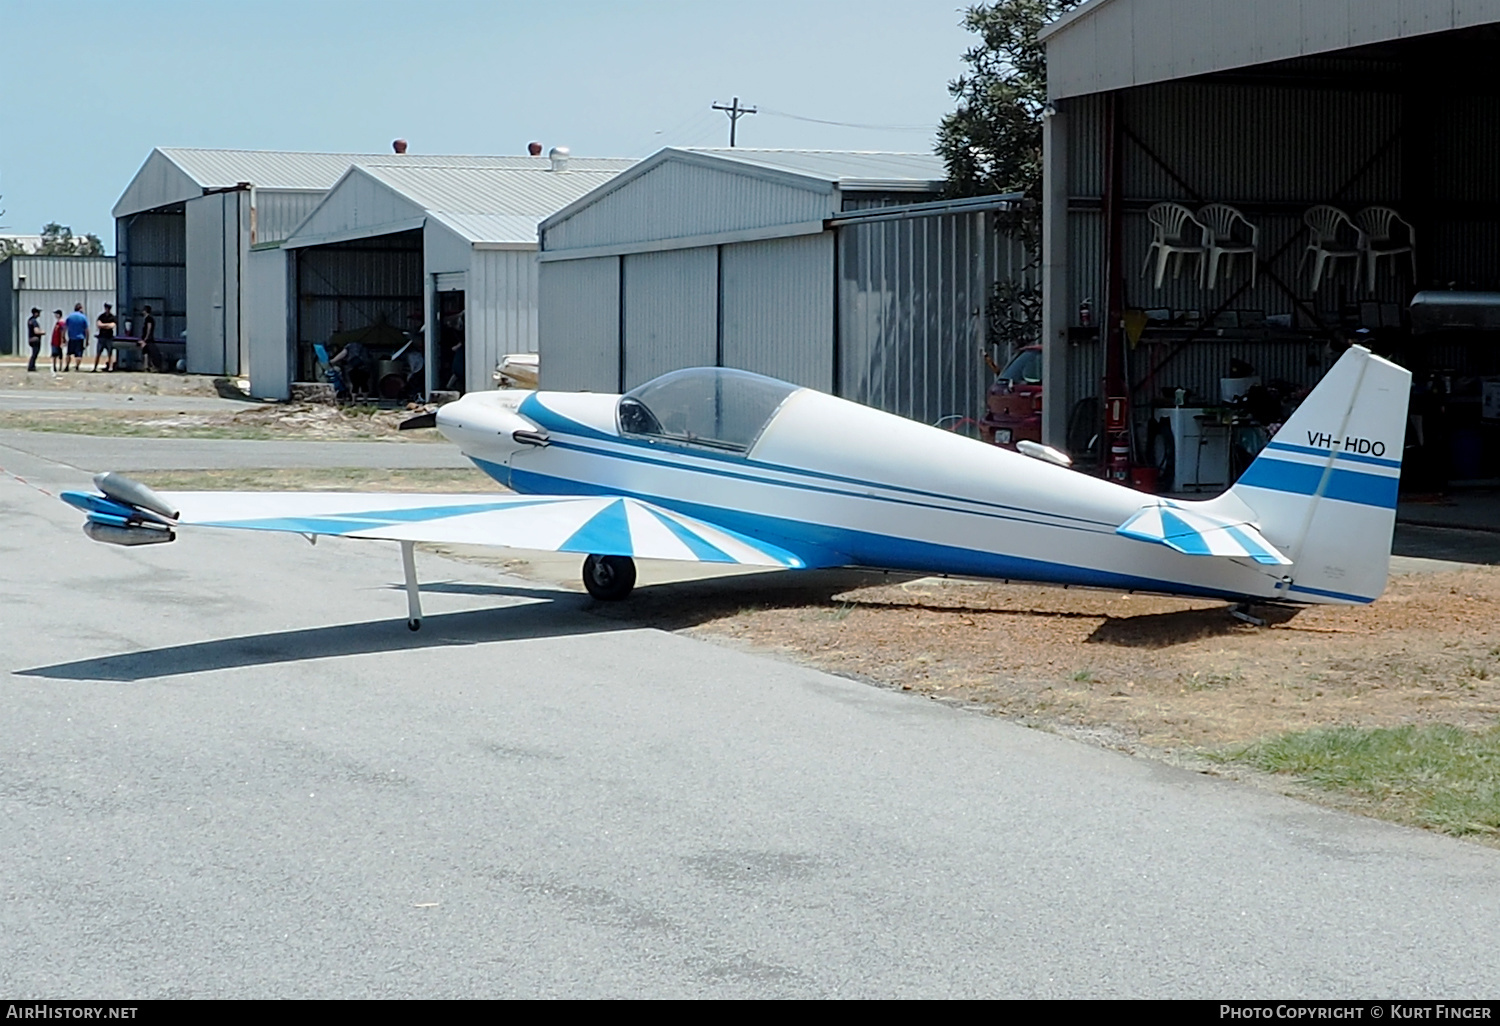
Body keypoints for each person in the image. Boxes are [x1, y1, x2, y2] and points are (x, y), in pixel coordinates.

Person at [63, 303, 89, 371]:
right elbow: (87, 330)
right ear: (80, 309)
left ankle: (67, 366)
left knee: (68, 353)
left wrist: (63, 337)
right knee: (78, 354)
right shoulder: (83, 317)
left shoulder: (69, 316)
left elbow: (65, 328)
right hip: (80, 338)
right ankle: (77, 367)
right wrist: (87, 340)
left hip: (71, 337)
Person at [93, 303, 117, 372]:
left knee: (110, 353)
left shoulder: (112, 317)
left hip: (109, 338)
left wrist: (103, 325)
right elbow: (98, 324)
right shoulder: (101, 316)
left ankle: (110, 367)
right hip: (101, 338)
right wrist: (107, 325)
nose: (107, 309)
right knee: (98, 353)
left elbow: (112, 326)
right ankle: (95, 367)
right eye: (106, 308)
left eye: (108, 308)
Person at [26, 308, 42, 372]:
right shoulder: (34, 321)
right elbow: (36, 331)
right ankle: (31, 366)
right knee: (35, 354)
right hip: (35, 339)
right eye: (38, 312)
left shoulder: (30, 320)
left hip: (31, 339)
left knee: (34, 353)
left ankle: (32, 366)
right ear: (35, 313)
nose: (39, 314)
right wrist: (43, 332)